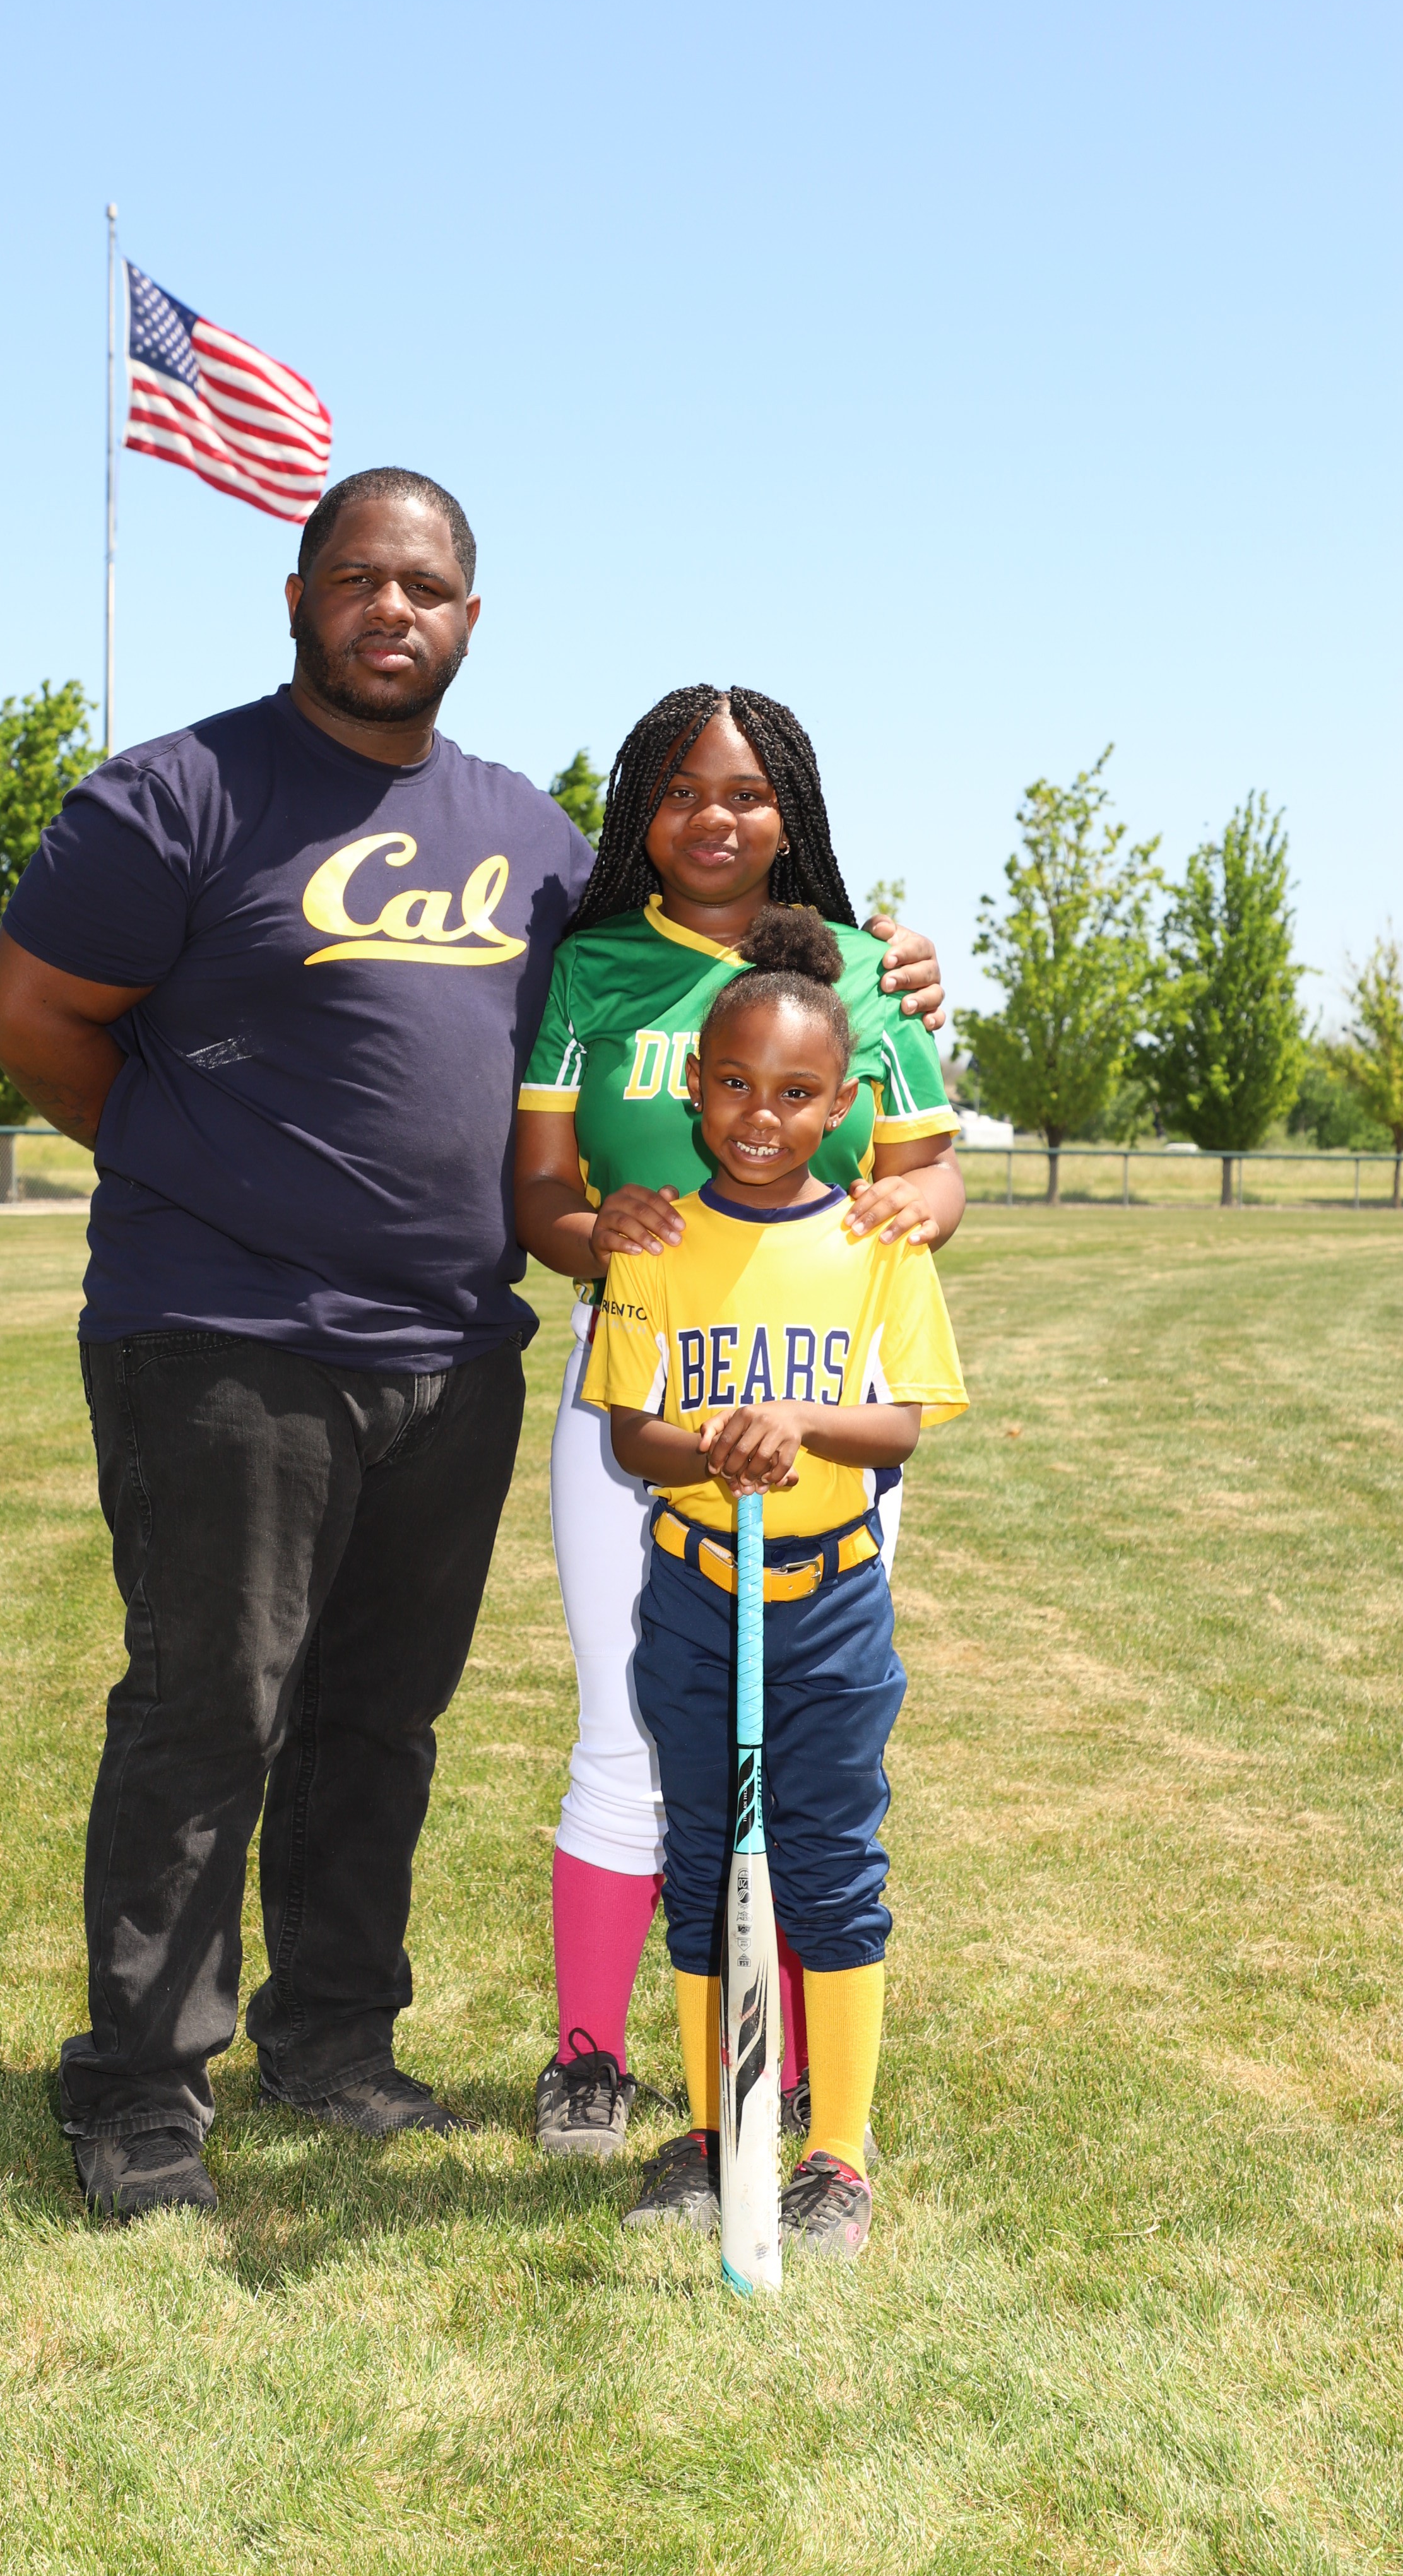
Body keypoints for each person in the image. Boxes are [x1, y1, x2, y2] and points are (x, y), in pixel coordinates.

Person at [0, 467, 947, 2222]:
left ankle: (333, 2041)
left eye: (423, 587)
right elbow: (27, 1014)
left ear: (470, 619)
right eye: (356, 578)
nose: (390, 610)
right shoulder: (182, 794)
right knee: (212, 1706)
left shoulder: (533, 836)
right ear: (297, 598)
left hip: (450, 1346)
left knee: (379, 1717)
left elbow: (695, 961)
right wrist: (197, 1162)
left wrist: (880, 969)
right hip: (228, 1333)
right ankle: (140, 2090)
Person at [514, 686, 962, 2158]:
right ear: (640, 809)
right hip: (642, 1379)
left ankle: (801, 2081)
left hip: (822, 1394)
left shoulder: (863, 969)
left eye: (748, 792)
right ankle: (592, 2057)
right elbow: (539, 1197)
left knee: (807, 1744)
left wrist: (905, 1213)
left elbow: (930, 1177)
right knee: (628, 1722)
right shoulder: (591, 968)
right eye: (682, 790)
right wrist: (597, 1229)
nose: (714, 817)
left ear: (794, 812)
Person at [581, 908, 968, 2255]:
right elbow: (633, 1435)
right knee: (706, 1861)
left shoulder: (877, 1241)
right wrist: (715, 1445)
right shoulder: (651, 1243)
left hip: (832, 1602)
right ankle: (713, 2133)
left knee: (829, 1864)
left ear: (842, 1107)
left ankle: (836, 2155)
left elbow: (898, 1427)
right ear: (694, 1087)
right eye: (736, 1084)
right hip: (695, 1596)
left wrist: (793, 1424)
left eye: (797, 1094)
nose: (762, 1115)